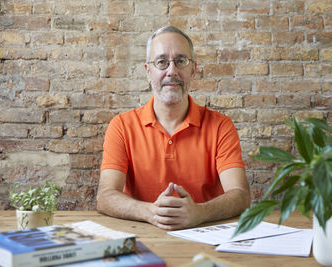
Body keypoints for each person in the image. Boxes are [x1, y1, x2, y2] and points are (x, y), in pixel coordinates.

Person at [97, 26, 250, 230]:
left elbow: (240, 195)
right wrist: (152, 212)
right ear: (148, 71)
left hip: (206, 236)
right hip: (144, 236)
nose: (172, 71)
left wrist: (200, 212)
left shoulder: (221, 126)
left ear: (193, 69)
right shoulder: (122, 126)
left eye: (181, 61)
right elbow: (105, 196)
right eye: (162, 62)